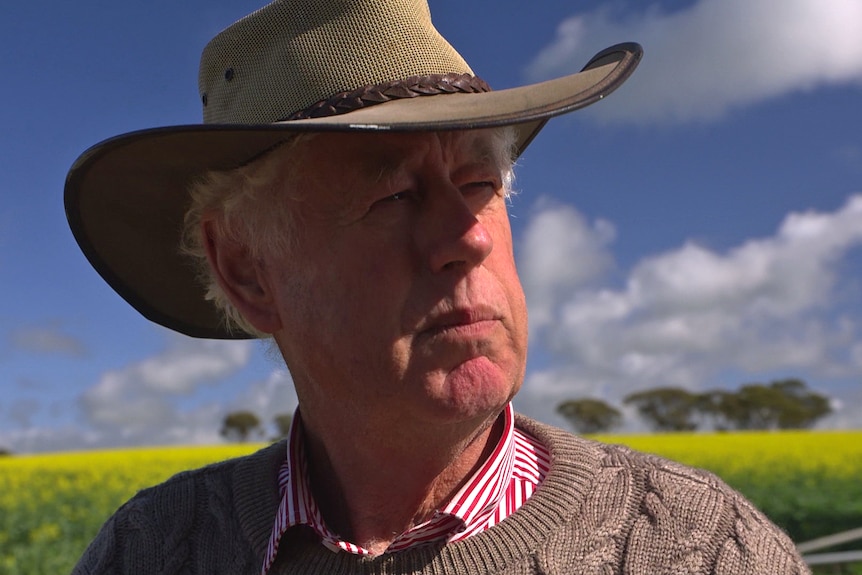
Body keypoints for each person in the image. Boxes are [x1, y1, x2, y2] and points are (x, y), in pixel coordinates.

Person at [65, 0, 810, 573]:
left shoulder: (703, 548)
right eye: (393, 196)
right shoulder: (154, 550)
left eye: (479, 183)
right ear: (246, 268)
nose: (470, 235)